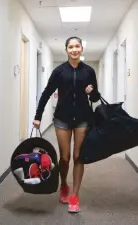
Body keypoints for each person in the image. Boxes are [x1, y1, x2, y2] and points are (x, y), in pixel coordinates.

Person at [33, 36, 100, 213]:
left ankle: (75, 195)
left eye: (77, 46)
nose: (74, 49)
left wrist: (91, 92)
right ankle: (63, 185)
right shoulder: (59, 71)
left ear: (82, 49)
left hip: (82, 119)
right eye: (71, 47)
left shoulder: (89, 71)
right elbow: (47, 93)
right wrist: (38, 116)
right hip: (62, 118)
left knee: (79, 156)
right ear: (66, 50)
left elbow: (95, 97)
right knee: (64, 157)